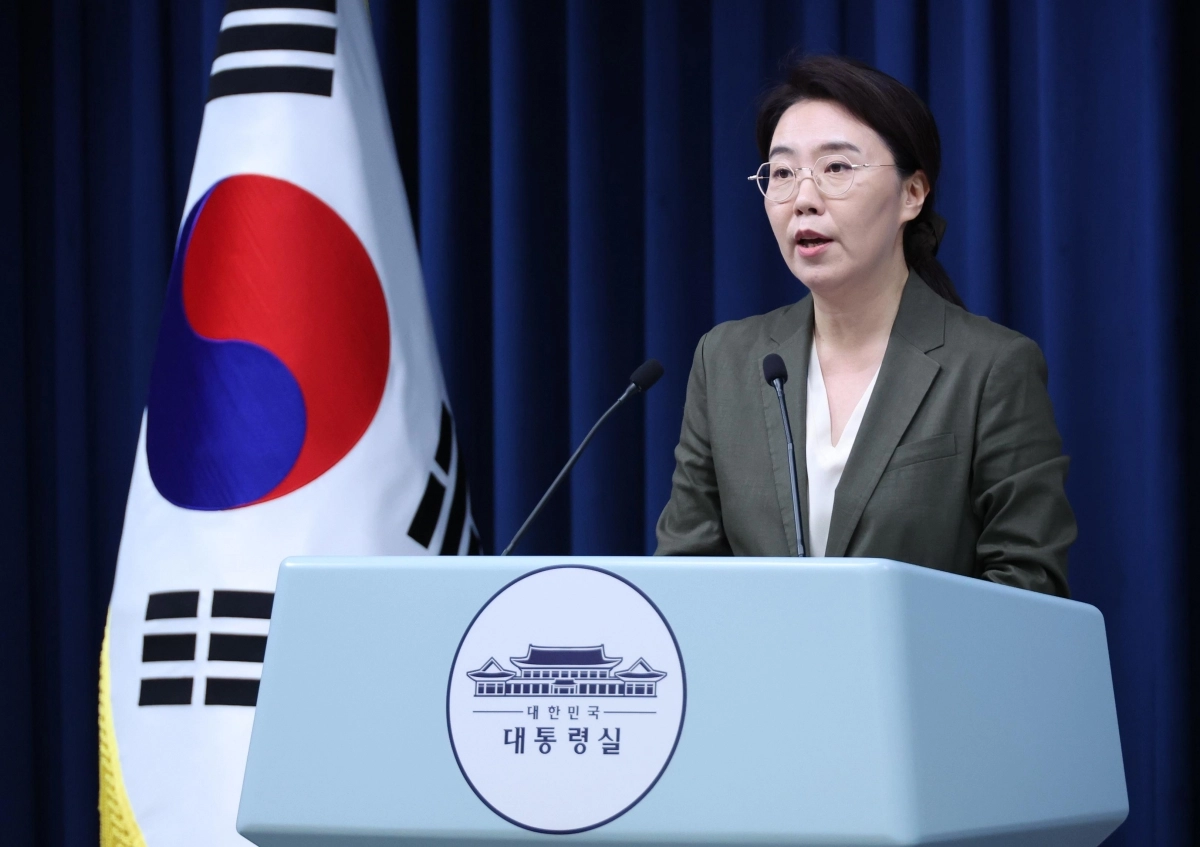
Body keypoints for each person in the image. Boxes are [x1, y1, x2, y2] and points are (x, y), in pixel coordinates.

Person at [655, 55, 1074, 597]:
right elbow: (684, 576)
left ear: (912, 194)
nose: (803, 200)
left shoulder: (990, 368)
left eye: (836, 168)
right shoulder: (727, 360)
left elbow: (1028, 585)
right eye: (782, 174)